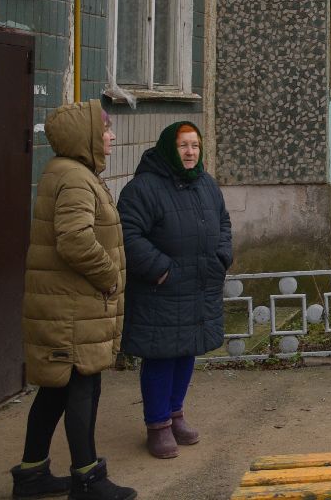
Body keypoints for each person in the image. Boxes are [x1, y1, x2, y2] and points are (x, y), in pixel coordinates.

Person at [14, 102, 136, 500]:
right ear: (85, 136)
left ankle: (31, 475)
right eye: (105, 130)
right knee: (84, 385)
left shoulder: (69, 173)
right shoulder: (76, 179)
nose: (111, 136)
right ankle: (88, 479)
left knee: (56, 390)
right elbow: (75, 239)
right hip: (72, 309)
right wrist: (108, 277)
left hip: (66, 306)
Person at [118, 121, 232, 460]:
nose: (190, 152)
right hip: (162, 290)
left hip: (198, 284)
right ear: (170, 147)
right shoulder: (143, 188)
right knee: (161, 354)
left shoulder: (206, 185)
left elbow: (224, 223)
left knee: (186, 351)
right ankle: (157, 425)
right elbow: (127, 234)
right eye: (184, 145)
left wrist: (222, 257)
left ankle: (176, 414)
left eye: (195, 145)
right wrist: (161, 270)